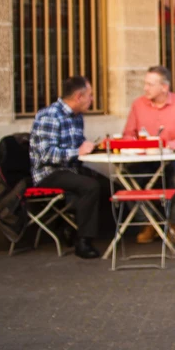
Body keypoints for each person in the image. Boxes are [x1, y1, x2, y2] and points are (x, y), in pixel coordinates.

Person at [28, 75, 103, 259]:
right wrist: (77, 152)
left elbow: (79, 146)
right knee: (90, 186)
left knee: (109, 184)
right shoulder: (50, 116)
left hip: (71, 170)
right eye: (90, 95)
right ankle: (83, 242)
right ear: (79, 96)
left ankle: (71, 227)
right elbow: (46, 155)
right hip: (49, 173)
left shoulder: (77, 117)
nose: (92, 100)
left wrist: (95, 147)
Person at [122, 66, 175, 243]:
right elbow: (127, 135)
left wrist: (171, 144)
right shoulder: (137, 105)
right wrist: (140, 144)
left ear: (164, 87)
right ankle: (148, 223)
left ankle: (174, 223)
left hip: (171, 158)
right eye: (145, 84)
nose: (145, 88)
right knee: (124, 177)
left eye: (150, 84)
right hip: (144, 158)